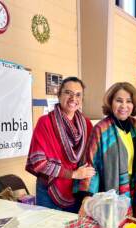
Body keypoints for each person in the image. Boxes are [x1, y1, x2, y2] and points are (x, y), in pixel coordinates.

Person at [26, 77, 95, 212]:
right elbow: (39, 163)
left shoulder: (87, 125)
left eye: (78, 94)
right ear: (59, 95)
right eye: (68, 92)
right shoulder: (45, 122)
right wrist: (73, 174)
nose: (73, 98)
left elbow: (90, 159)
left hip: (76, 190)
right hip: (48, 189)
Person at [74, 82, 136, 219]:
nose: (124, 106)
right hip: (111, 192)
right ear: (110, 103)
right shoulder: (101, 129)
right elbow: (91, 164)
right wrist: (87, 197)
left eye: (128, 101)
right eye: (119, 101)